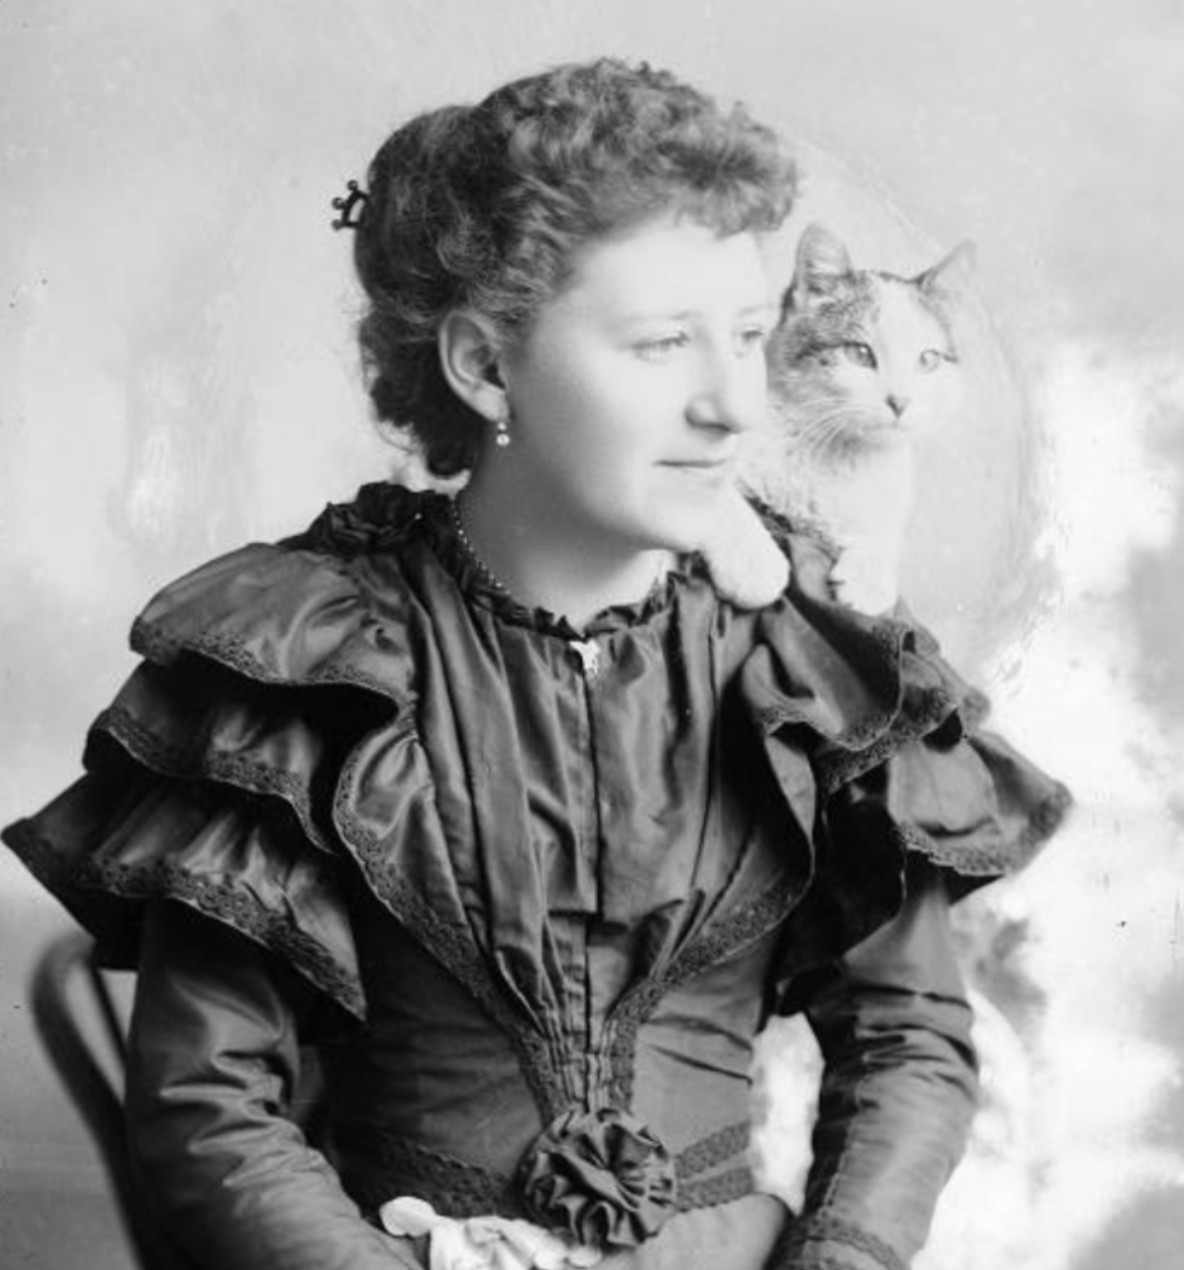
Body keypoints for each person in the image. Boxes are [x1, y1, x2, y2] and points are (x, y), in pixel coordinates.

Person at [2, 58, 1069, 1270]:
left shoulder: (808, 654)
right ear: (484, 368)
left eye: (750, 336)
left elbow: (903, 1041)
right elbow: (209, 1106)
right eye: (664, 344)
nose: (731, 400)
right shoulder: (313, 655)